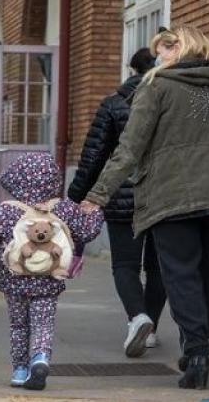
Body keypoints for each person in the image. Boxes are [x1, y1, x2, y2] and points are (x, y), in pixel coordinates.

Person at [81, 26, 209, 390]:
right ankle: (199, 340)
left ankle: (197, 351)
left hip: (173, 197)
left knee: (180, 274)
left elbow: (130, 148)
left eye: (164, 49)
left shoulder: (157, 86)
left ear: (181, 48)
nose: (158, 58)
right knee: (207, 273)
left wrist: (98, 194)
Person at [67, 48, 166, 358]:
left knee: (125, 264)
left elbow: (94, 154)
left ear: (131, 70)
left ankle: (138, 317)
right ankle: (152, 329)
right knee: (159, 266)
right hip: (166, 194)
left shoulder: (114, 103)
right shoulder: (172, 99)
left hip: (122, 194)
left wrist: (76, 196)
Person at [0, 153, 104, 391]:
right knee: (43, 324)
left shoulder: (5, 211)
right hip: (49, 280)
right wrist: (95, 210)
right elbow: (87, 232)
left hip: (13, 280)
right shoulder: (64, 210)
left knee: (18, 326)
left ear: (15, 180)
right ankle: (40, 358)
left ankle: (19, 370)